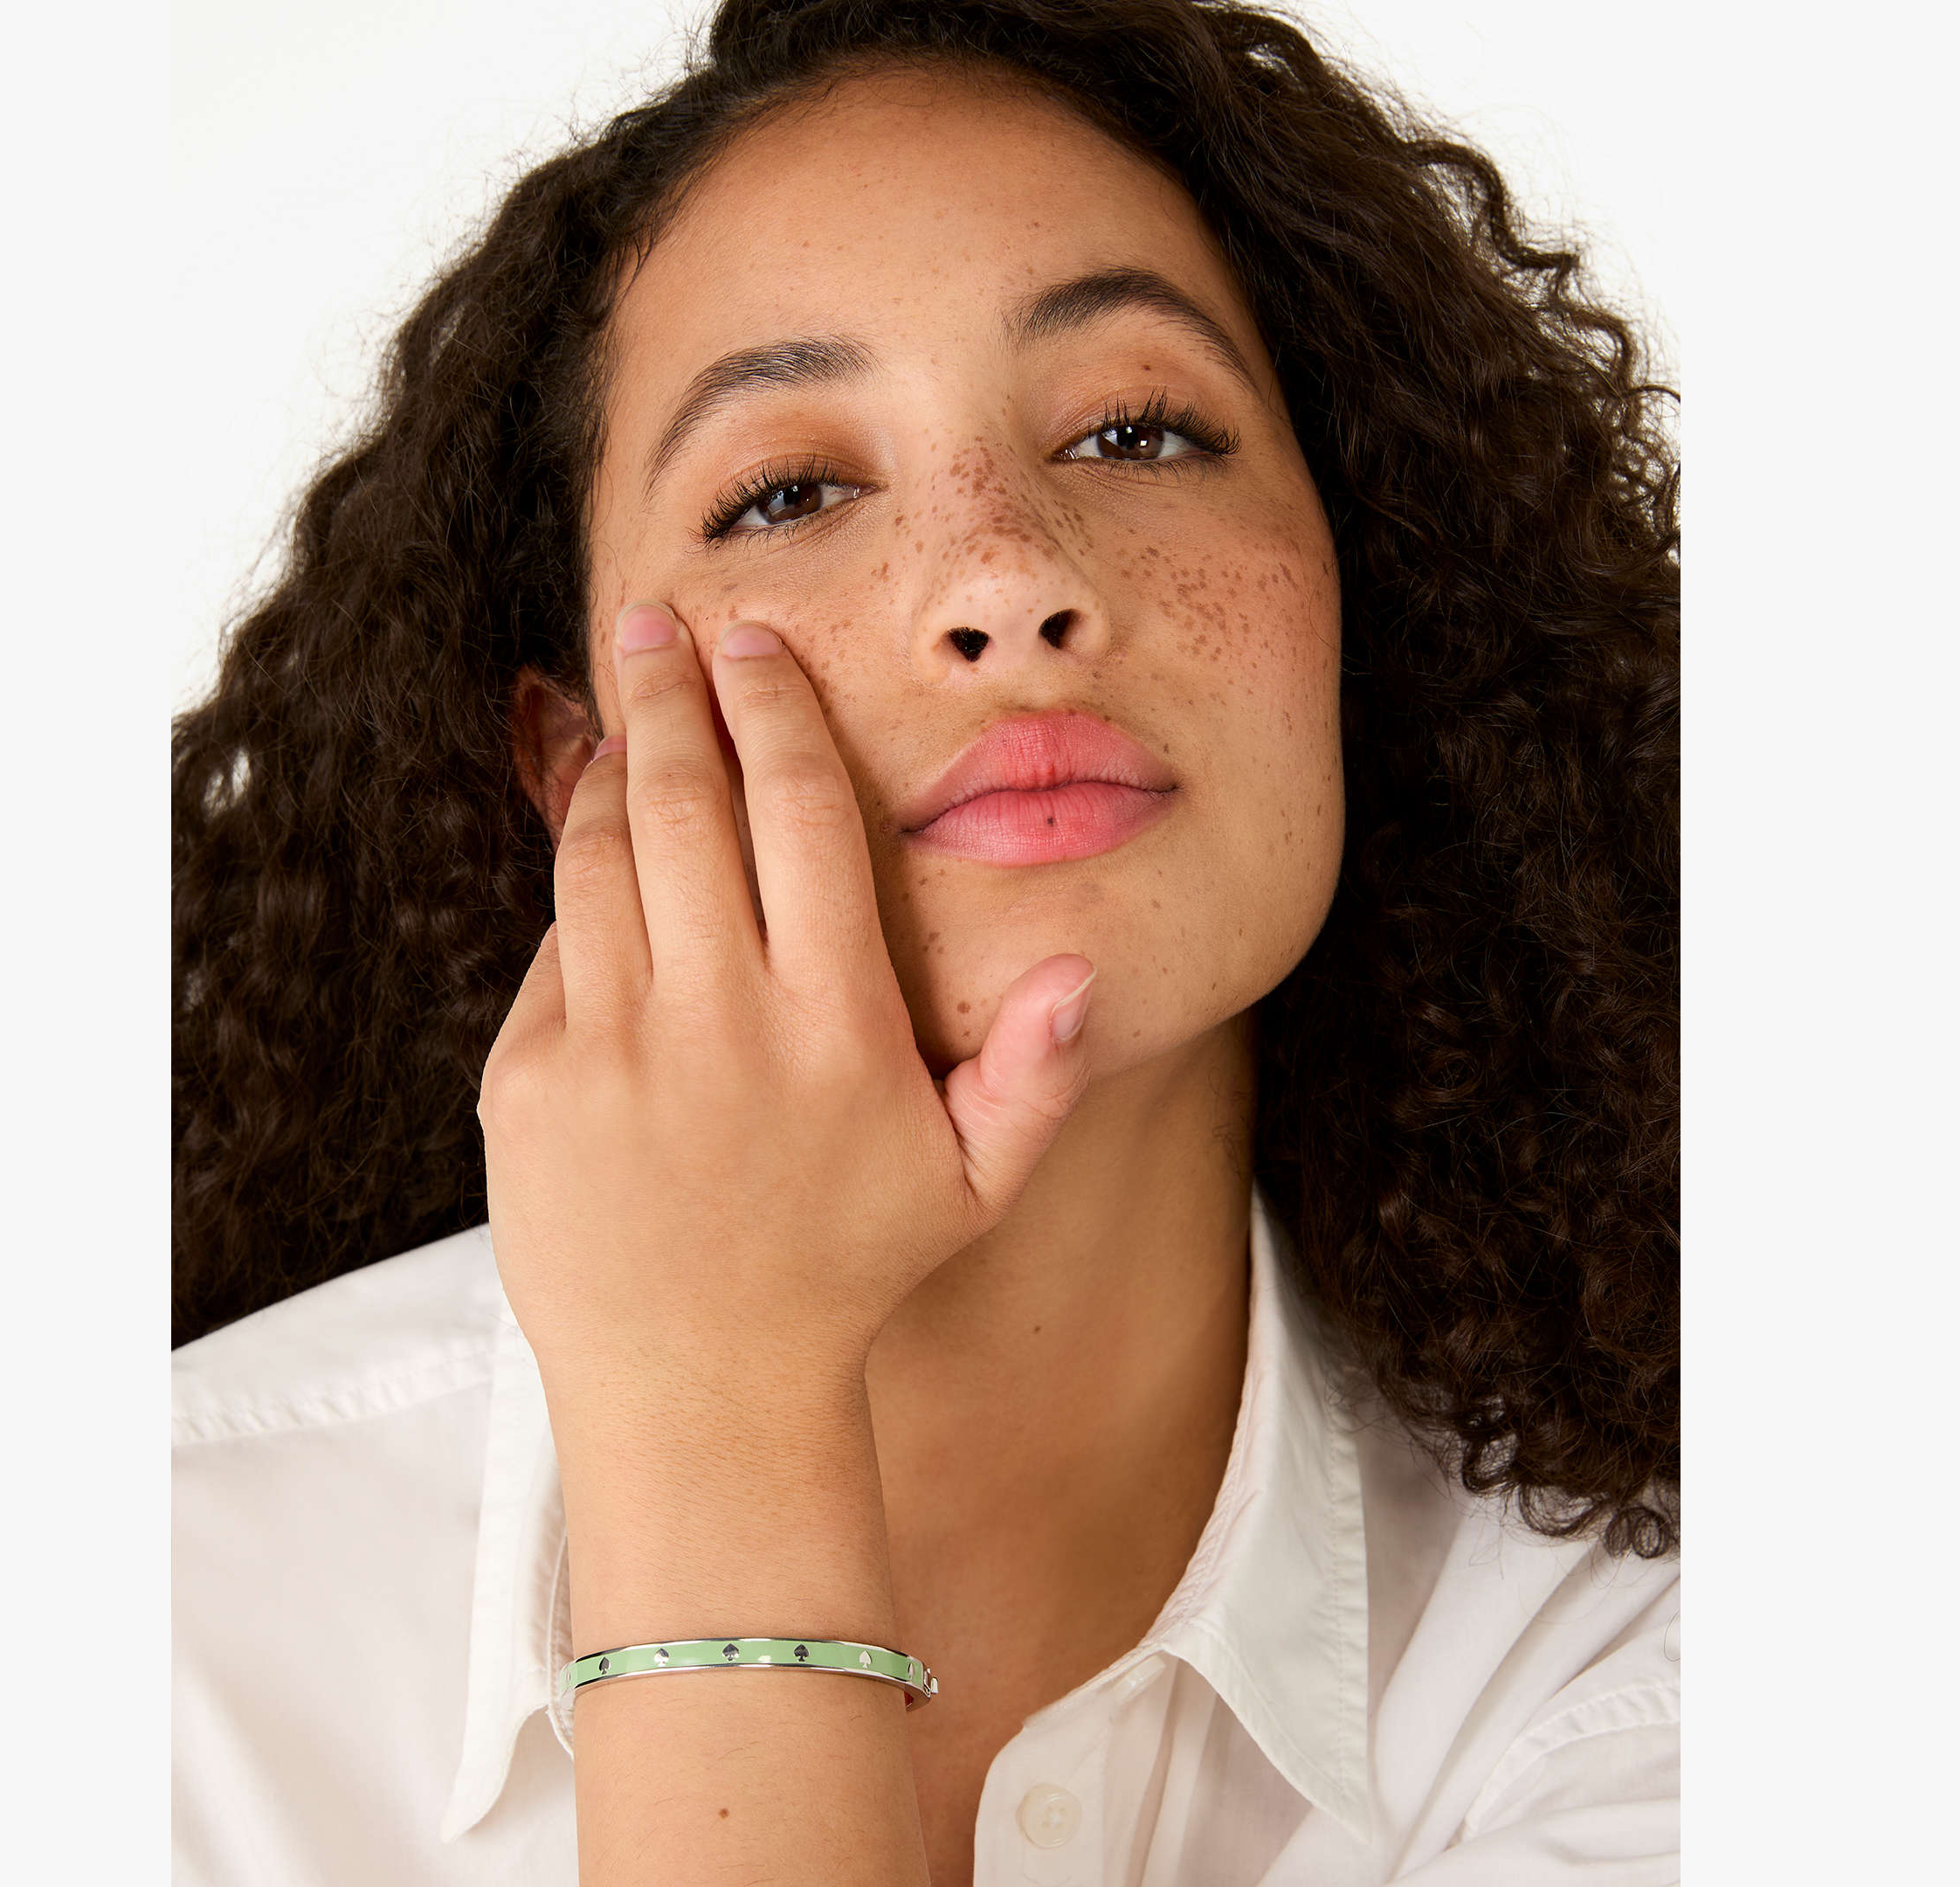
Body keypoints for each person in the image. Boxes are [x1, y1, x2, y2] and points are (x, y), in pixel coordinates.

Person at [171, 1, 1680, 1882]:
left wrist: (722, 1435)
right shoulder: (136, 1651)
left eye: (1138, 430)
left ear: (1359, 615)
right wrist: (713, 1408)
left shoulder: (1666, 1663)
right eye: (789, 492)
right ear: (582, 778)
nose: (1002, 575)